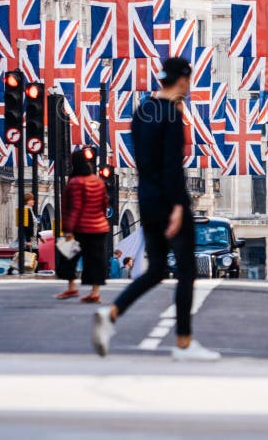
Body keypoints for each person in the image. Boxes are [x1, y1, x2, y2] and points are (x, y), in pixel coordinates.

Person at [92, 57, 220, 362]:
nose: (188, 87)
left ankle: (111, 313)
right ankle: (184, 342)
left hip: (146, 198)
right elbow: (172, 166)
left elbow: (147, 162)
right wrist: (178, 205)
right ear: (181, 80)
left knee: (158, 269)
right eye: (187, 81)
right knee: (187, 269)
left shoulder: (142, 112)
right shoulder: (172, 114)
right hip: (169, 200)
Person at [59, 148, 110, 303]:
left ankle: (72, 287)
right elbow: (104, 204)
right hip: (100, 227)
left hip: (82, 228)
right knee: (95, 260)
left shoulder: (75, 183)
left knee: (68, 256)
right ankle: (95, 292)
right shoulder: (98, 181)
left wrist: (69, 230)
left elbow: (75, 207)